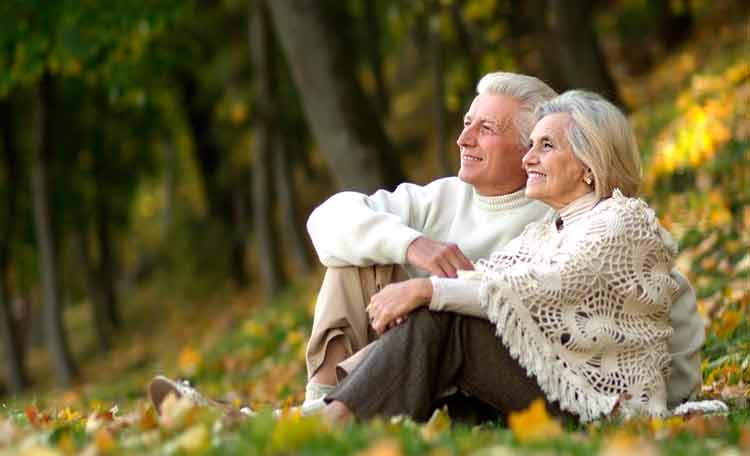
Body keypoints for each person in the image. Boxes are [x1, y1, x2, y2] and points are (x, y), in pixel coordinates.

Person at [304, 72, 703, 414]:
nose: (463, 139)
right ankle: (324, 403)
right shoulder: (481, 212)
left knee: (445, 312)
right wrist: (412, 246)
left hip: (560, 394)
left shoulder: (601, 219)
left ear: (585, 164)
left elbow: (662, 297)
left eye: (486, 129)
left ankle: (335, 411)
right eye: (466, 123)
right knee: (355, 258)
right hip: (446, 361)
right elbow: (328, 220)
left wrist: (430, 289)